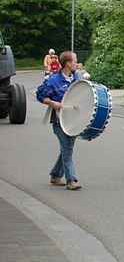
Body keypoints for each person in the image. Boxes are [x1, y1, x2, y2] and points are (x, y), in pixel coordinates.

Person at [36, 51, 82, 190]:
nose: (77, 63)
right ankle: (71, 180)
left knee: (66, 150)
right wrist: (52, 103)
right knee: (67, 149)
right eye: (75, 61)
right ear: (67, 63)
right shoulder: (53, 80)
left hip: (73, 121)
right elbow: (40, 95)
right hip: (58, 121)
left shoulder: (77, 78)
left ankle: (55, 175)